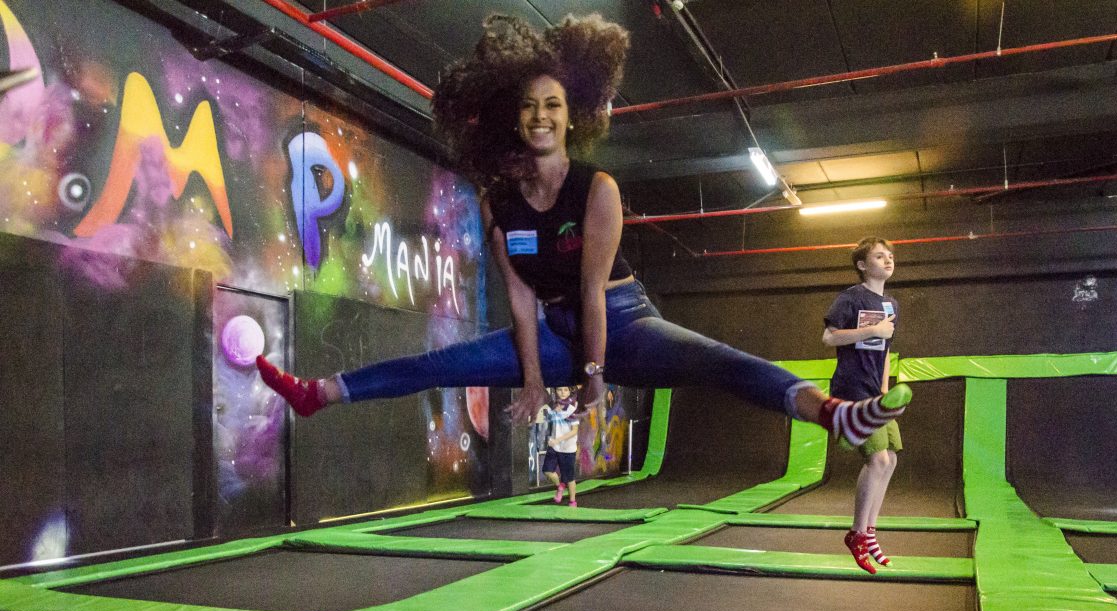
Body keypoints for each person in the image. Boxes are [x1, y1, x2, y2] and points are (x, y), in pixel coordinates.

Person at [255, 14, 911, 472]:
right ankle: (320, 393)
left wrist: (595, 376)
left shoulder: (596, 189)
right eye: (530, 107)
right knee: (444, 364)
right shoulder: (498, 201)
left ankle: (834, 414)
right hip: (553, 330)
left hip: (623, 322)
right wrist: (537, 380)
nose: (540, 117)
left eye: (553, 107)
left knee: (718, 361)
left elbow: (594, 290)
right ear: (514, 119)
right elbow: (518, 298)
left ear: (573, 118)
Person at [823, 237, 903, 574]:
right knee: (877, 457)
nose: (887, 260)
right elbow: (829, 337)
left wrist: (885, 391)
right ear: (861, 264)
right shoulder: (851, 297)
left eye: (890, 256)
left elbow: (884, 352)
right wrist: (872, 329)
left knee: (892, 459)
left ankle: (870, 531)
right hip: (852, 389)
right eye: (879, 256)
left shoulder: (892, 305)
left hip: (875, 391)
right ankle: (856, 533)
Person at [542, 386, 580, 506]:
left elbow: (574, 431)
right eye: (559, 390)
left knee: (569, 478)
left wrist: (558, 440)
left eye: (565, 390)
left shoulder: (572, 409)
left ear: (569, 392)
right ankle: (560, 486)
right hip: (554, 446)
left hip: (568, 448)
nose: (562, 393)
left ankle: (572, 501)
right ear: (555, 391)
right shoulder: (553, 406)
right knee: (547, 471)